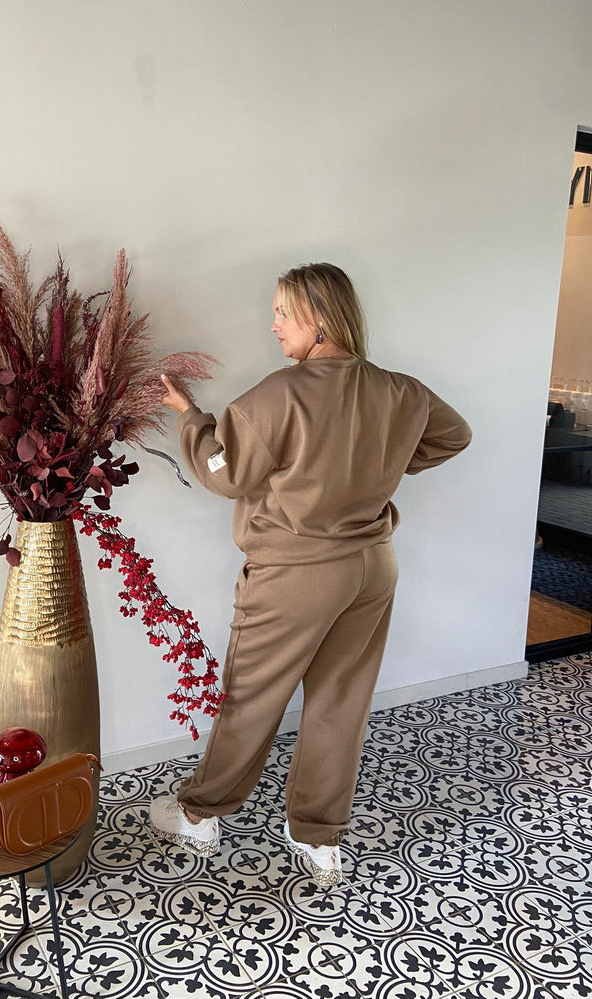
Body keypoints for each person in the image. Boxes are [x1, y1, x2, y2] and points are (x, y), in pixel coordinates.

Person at [148, 263, 471, 886]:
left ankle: (200, 814)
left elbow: (225, 473)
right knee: (341, 701)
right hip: (371, 568)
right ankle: (319, 837)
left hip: (296, 575)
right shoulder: (400, 391)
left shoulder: (280, 394)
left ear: (318, 319)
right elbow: (453, 437)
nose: (272, 325)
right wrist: (384, 463)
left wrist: (189, 416)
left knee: (250, 697)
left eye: (281, 313)